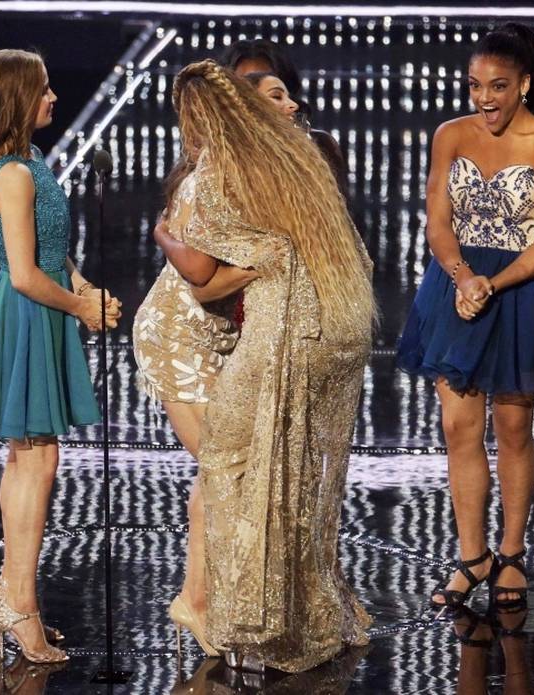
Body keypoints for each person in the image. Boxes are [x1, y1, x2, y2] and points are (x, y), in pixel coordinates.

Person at [157, 59, 375, 673]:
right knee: (270, 471)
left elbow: (200, 276)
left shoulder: (226, 171)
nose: (291, 106)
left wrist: (163, 236)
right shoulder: (301, 159)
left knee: (240, 469)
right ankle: (275, 611)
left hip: (273, 330)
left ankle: (253, 622)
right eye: (276, 96)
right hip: (295, 329)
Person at [396, 23, 534, 614]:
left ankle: (511, 553)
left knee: (512, 427)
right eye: (475, 85)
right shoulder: (450, 135)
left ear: (523, 84)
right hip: (455, 287)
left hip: (521, 291)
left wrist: (493, 284)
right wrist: (461, 277)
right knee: (458, 427)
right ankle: (472, 556)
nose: (484, 98)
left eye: (497, 86)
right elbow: (437, 222)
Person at [131, 65, 302, 658]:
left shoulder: (255, 169)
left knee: (225, 471)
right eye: (275, 97)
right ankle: (199, 601)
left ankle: (207, 599)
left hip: (221, 338)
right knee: (225, 469)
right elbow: (201, 279)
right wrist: (266, 262)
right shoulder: (210, 177)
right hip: (178, 336)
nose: (291, 106)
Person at [0, 49, 121, 663]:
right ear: (14, 99)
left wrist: (80, 284)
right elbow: (24, 273)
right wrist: (80, 308)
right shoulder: (12, 174)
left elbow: (48, 248)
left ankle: (14, 592)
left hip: (43, 307)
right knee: (37, 458)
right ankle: (19, 605)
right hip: (29, 314)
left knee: (30, 457)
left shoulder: (26, 159)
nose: (53, 97)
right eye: (43, 89)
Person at [221, 39, 349, 198]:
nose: (252, 94)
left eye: (268, 81)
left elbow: (340, 208)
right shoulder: (213, 149)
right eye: (245, 84)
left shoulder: (320, 144)